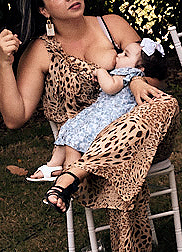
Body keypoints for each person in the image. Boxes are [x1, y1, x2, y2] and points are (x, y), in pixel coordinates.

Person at [0, 0, 180, 252]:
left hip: (143, 132)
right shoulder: (41, 51)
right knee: (124, 168)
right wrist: (5, 62)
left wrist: (137, 79)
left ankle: (74, 174)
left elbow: (157, 77)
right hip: (91, 146)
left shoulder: (112, 25)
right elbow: (14, 118)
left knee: (166, 104)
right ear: (43, 10)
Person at [52, 39, 168, 171]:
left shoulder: (129, 74)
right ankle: (53, 165)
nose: (118, 55)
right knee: (70, 128)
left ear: (139, 68)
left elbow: (110, 87)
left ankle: (70, 173)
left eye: (125, 54)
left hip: (108, 121)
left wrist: (100, 72)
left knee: (74, 142)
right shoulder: (125, 74)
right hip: (100, 115)